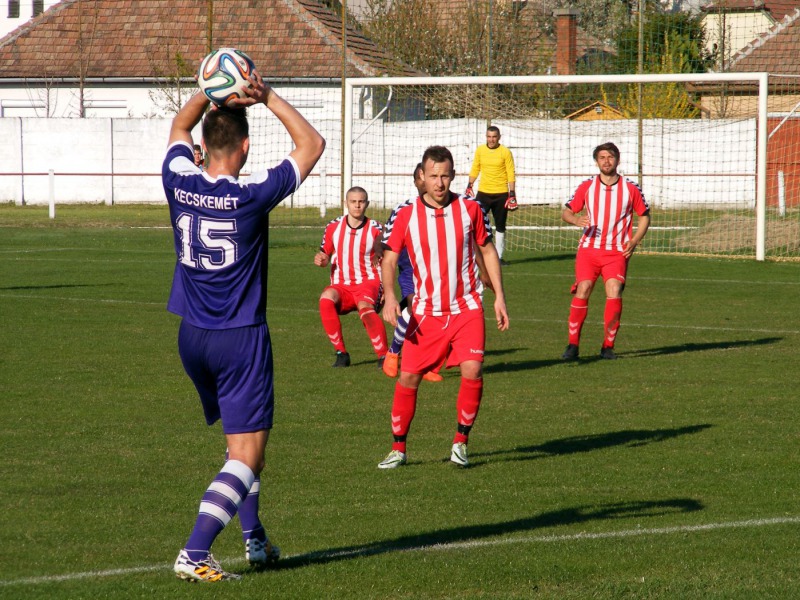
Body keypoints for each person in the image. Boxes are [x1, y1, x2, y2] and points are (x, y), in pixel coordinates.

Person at [162, 72, 325, 582]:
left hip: (192, 334)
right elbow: (312, 144)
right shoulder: (253, 195)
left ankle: (254, 538)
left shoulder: (178, 178)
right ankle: (194, 552)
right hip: (240, 337)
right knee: (248, 455)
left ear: (203, 146)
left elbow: (177, 125)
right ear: (246, 146)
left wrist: (209, 90)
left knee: (242, 446)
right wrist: (267, 95)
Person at [378, 145, 509, 470]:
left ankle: (461, 443)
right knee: (408, 378)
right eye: (433, 176)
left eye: (445, 176)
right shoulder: (406, 214)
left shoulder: (470, 209)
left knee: (473, 369)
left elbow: (488, 251)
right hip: (425, 313)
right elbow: (390, 258)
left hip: (466, 308)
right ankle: (398, 449)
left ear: (453, 176)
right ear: (422, 176)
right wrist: (391, 296)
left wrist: (499, 297)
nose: (439, 182)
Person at [560, 142, 650, 361]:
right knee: (584, 288)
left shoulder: (630, 188)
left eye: (610, 157)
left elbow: (644, 216)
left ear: (617, 160)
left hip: (617, 252)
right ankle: (573, 346)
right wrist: (575, 219)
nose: (606, 161)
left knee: (614, 289)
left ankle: (608, 347)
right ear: (596, 161)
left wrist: (635, 240)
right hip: (589, 250)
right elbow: (566, 212)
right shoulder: (587, 186)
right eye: (602, 158)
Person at [379, 164, 444, 383]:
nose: (424, 182)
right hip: (410, 270)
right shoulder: (403, 209)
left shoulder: (448, 208)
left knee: (436, 317)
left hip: (437, 273)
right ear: (417, 181)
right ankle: (395, 353)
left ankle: (424, 362)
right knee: (417, 309)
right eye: (420, 178)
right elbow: (386, 243)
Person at [314, 186, 388, 368]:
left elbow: (388, 261)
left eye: (361, 202)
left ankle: (384, 356)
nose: (357, 206)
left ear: (367, 204)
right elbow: (324, 253)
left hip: (369, 282)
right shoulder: (333, 227)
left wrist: (387, 288)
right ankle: (341, 354)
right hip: (342, 286)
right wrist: (321, 259)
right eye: (353, 202)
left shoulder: (377, 229)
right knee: (325, 299)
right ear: (346, 203)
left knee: (365, 308)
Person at [466, 125, 517, 264]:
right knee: (476, 224)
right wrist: (469, 184)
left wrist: (512, 194)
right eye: (489, 136)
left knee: (500, 226)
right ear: (486, 137)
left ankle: (499, 257)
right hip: (483, 194)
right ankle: (475, 256)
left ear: (499, 137)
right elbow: (475, 167)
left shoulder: (505, 152)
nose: (491, 139)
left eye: (494, 137)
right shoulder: (480, 150)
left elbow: (510, 172)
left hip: (501, 194)